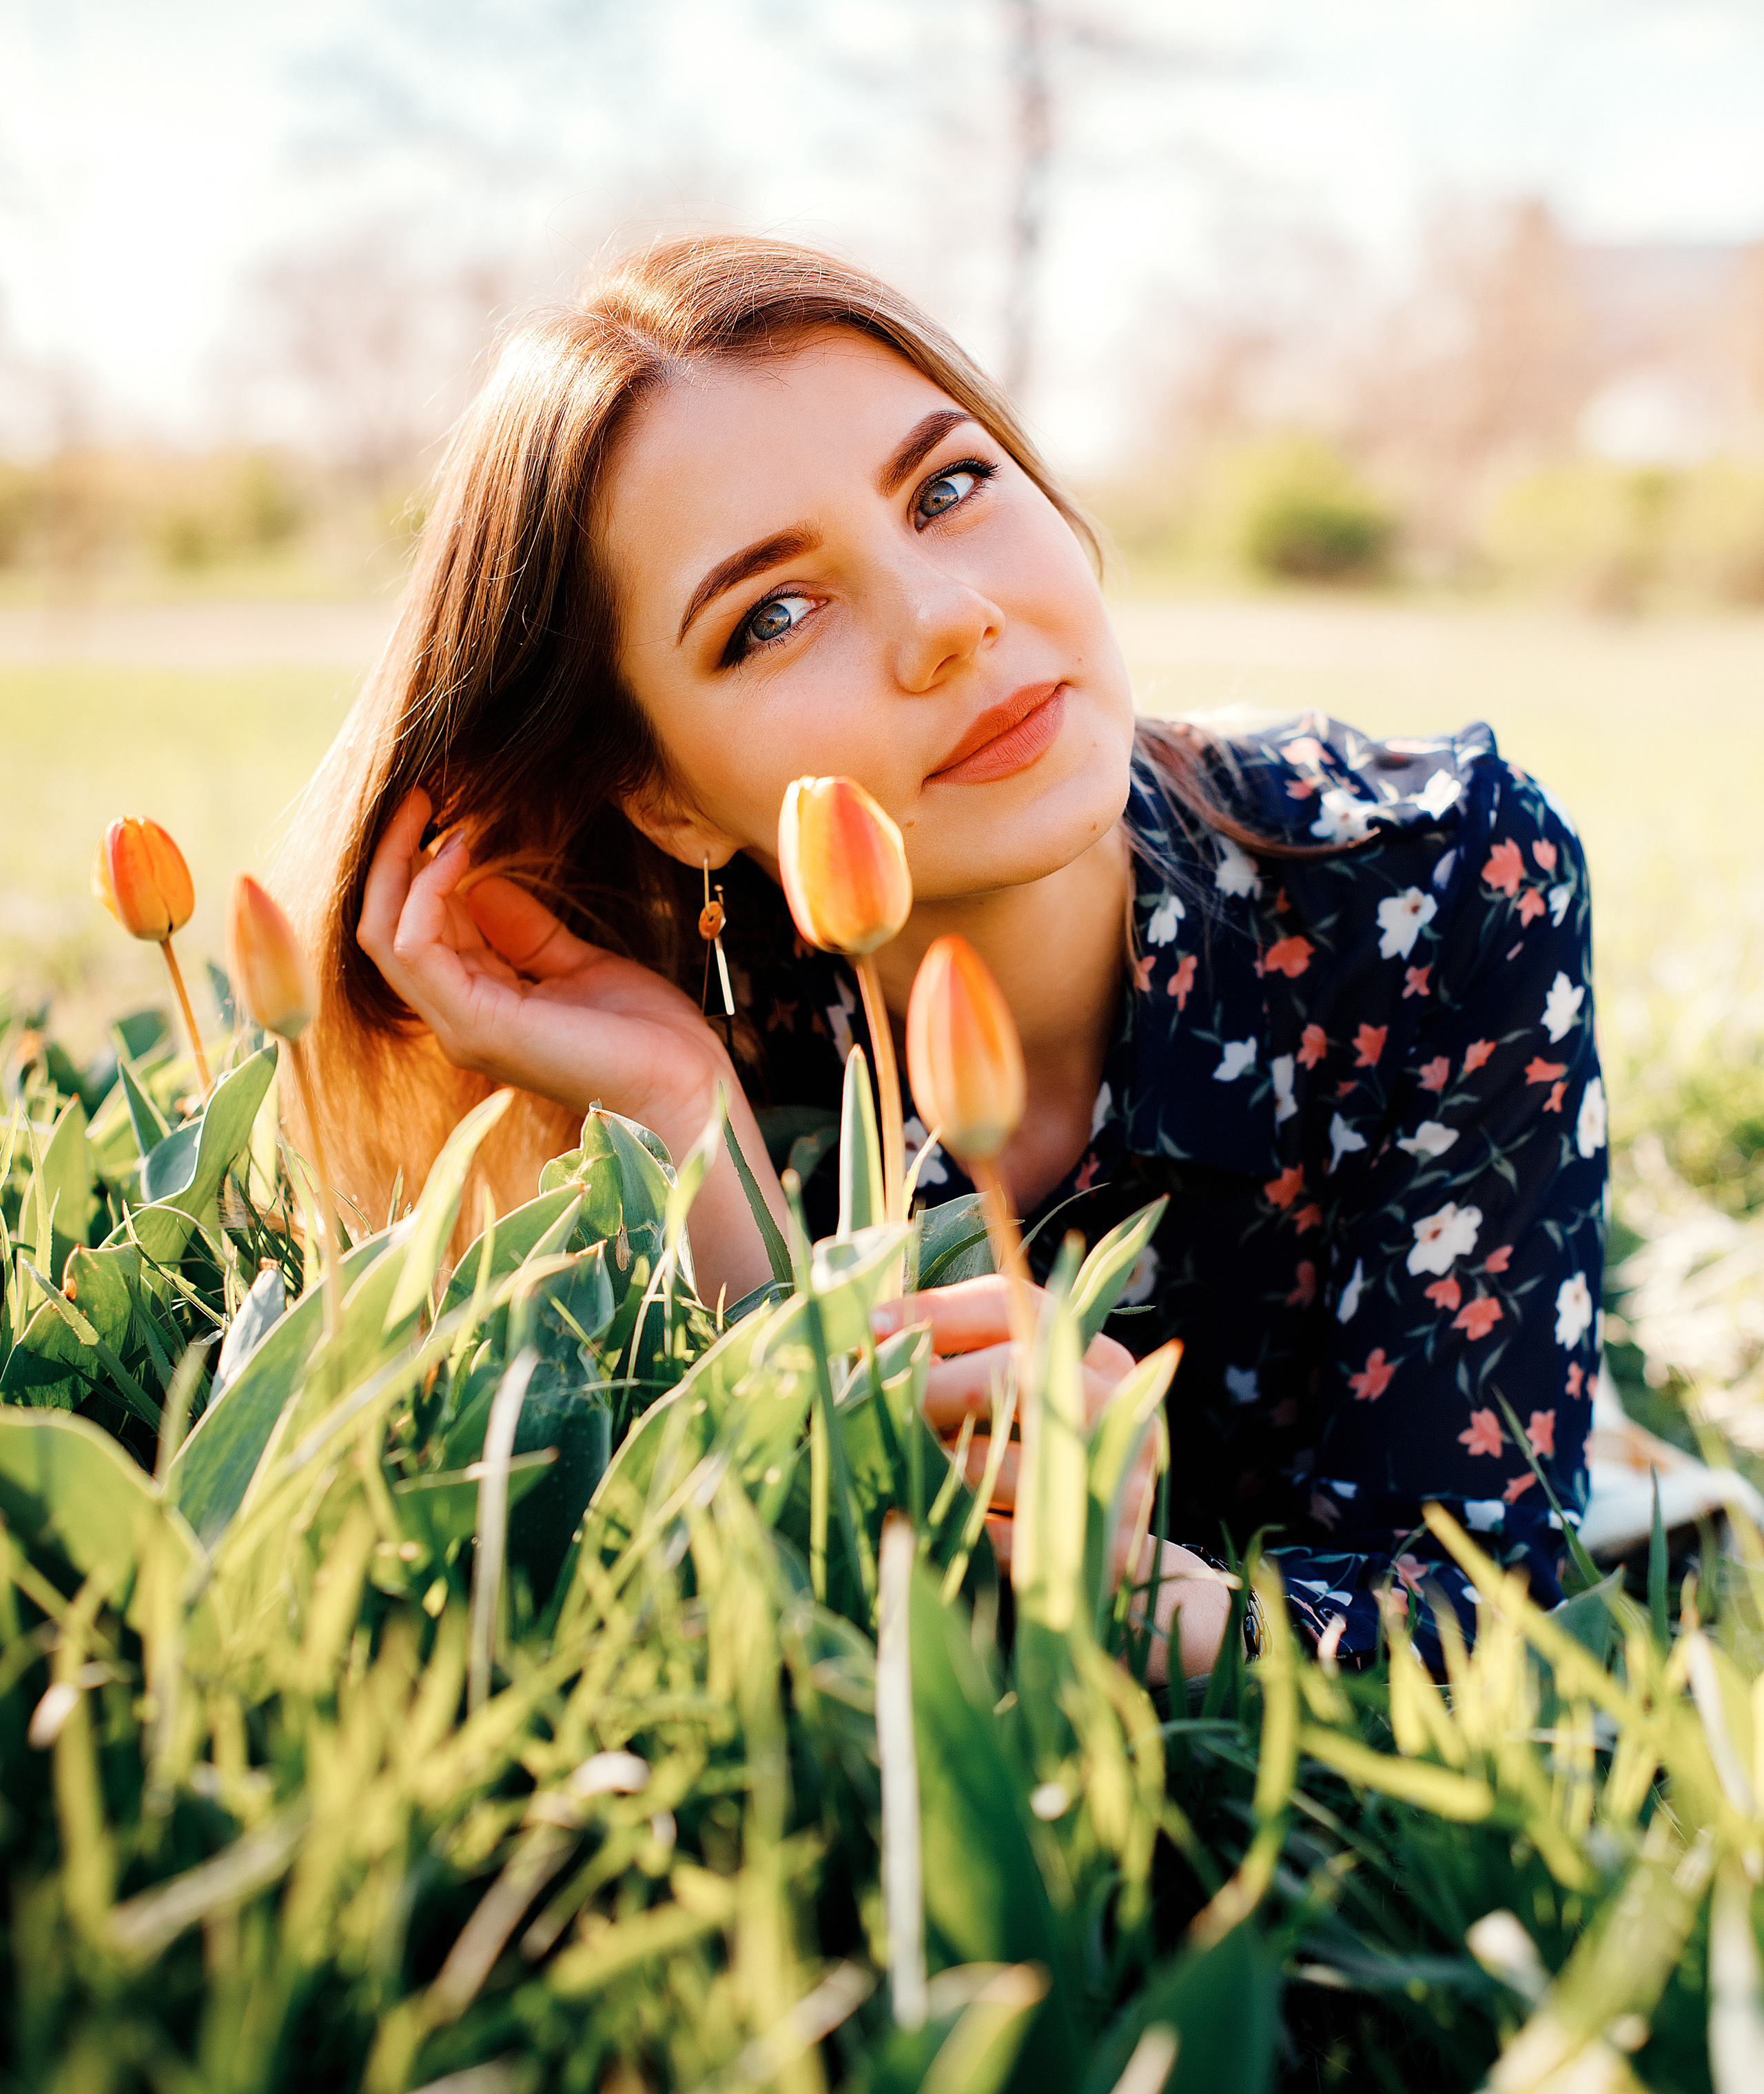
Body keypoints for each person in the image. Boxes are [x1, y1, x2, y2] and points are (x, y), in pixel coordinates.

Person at [273, 234, 1605, 1681]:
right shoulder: (716, 1009)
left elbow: (1487, 1619)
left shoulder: (1436, 878)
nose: (944, 622)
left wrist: (1147, 1597)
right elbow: (769, 1571)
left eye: (948, 486)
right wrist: (688, 1121)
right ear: (660, 796)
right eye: (771, 615)